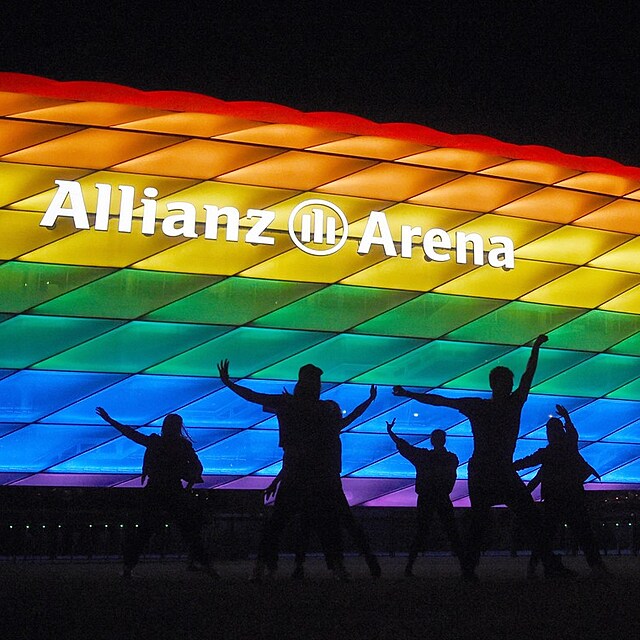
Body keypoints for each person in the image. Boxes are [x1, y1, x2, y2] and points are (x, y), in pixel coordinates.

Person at [393, 334, 567, 580]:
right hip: (493, 470)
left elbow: (443, 401)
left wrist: (535, 348)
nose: (506, 386)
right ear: (497, 385)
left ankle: (474, 569)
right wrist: (409, 394)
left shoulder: (483, 405)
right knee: (504, 519)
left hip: (488, 470)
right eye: (504, 382)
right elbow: (527, 376)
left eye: (507, 382)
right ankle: (543, 565)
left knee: (488, 520)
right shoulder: (508, 403)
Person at [217, 359, 355, 581]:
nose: (318, 385)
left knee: (279, 522)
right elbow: (334, 432)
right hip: (315, 473)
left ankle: (264, 566)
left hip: (296, 471)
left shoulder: (289, 404)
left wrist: (228, 383)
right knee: (324, 523)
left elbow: (254, 396)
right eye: (316, 381)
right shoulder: (322, 408)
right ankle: (335, 566)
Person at [265, 392, 382, 579]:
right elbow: (355, 414)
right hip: (330, 482)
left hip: (314, 482)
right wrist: (369, 399)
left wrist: (276, 482)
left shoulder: (317, 432)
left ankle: (301, 566)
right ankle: (361, 564)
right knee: (343, 524)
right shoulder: (333, 429)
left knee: (307, 525)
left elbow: (294, 460)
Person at [95, 407, 214, 578]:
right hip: (174, 490)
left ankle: (128, 567)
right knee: (188, 531)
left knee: (144, 530)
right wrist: (188, 487)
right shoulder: (183, 445)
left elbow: (131, 434)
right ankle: (207, 565)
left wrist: (110, 420)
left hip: (154, 489)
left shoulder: (155, 442)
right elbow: (197, 467)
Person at [514, 404, 606, 577]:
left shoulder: (548, 452)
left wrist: (509, 467)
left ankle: (534, 566)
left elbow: (528, 462)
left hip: (554, 498)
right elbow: (572, 434)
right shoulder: (568, 446)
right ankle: (596, 566)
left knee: (547, 534)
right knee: (583, 533)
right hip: (572, 496)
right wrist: (566, 417)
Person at [386, 419, 463, 576]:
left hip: (426, 498)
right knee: (452, 531)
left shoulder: (423, 457)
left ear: (431, 440)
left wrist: (390, 432)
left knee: (421, 532)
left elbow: (405, 447)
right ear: (444, 440)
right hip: (442, 497)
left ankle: (409, 567)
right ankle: (465, 567)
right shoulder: (451, 458)